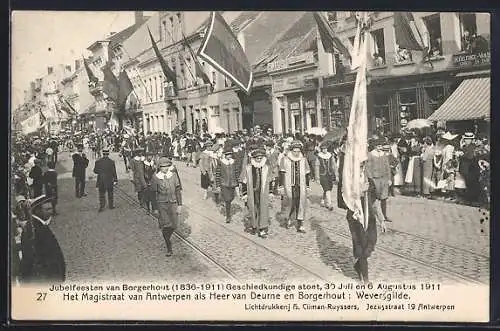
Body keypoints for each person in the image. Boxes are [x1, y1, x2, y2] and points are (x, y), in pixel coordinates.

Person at [337, 134, 377, 284]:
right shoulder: (348, 180)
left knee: (371, 241)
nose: (362, 167)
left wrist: (381, 219)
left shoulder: (367, 177)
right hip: (354, 214)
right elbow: (346, 197)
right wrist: (359, 191)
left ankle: (358, 265)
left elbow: (374, 199)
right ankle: (365, 278)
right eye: (359, 165)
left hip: (368, 214)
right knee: (361, 243)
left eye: (363, 165)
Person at [18, 195, 65, 284]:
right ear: (37, 211)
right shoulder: (33, 229)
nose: (50, 212)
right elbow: (29, 257)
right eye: (47, 209)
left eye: (51, 208)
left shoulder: (40, 225)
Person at [150, 157, 183, 257]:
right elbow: (153, 193)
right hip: (162, 204)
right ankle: (168, 245)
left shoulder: (173, 176)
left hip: (173, 203)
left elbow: (178, 190)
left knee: (174, 225)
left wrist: (180, 205)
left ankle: (168, 238)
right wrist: (155, 208)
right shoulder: (155, 177)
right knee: (165, 224)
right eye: (163, 167)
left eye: (167, 166)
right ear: (159, 167)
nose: (165, 168)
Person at [278, 140, 310, 233]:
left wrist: (307, 186)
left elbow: (307, 173)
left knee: (301, 203)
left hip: (301, 185)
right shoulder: (285, 159)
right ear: (291, 151)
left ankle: (300, 223)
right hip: (289, 185)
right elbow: (281, 173)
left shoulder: (303, 160)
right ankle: (288, 218)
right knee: (290, 201)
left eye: (298, 151)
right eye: (294, 151)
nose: (296, 153)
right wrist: (281, 186)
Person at [240, 148, 271, 238]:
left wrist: (271, 192)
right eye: (257, 158)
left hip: (262, 192)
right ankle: (253, 226)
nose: (259, 159)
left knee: (263, 209)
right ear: (254, 158)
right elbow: (244, 181)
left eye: (261, 158)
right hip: (252, 192)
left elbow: (270, 180)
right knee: (253, 209)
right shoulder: (248, 168)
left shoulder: (266, 168)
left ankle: (262, 228)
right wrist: (245, 193)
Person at [366, 138, 392, 232]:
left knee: (384, 198)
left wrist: (389, 178)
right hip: (375, 179)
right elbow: (367, 168)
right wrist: (370, 178)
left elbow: (387, 167)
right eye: (378, 146)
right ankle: (375, 216)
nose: (380, 148)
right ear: (375, 146)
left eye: (381, 146)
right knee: (375, 198)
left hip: (384, 178)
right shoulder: (370, 154)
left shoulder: (384, 155)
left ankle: (384, 216)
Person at [215, 146, 240, 223]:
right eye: (228, 154)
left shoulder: (234, 162)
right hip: (224, 183)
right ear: (225, 155)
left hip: (232, 183)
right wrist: (218, 185)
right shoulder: (221, 162)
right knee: (227, 199)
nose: (230, 156)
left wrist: (238, 183)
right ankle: (228, 216)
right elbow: (218, 174)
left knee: (231, 198)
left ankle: (227, 206)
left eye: (231, 154)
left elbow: (236, 172)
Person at [317, 141, 336, 210]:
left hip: (330, 175)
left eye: (325, 148)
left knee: (328, 189)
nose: (324, 150)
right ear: (321, 149)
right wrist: (317, 178)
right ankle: (329, 204)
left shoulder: (330, 156)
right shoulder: (319, 157)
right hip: (322, 175)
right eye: (323, 149)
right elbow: (316, 167)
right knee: (327, 188)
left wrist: (336, 175)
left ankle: (322, 200)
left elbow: (334, 166)